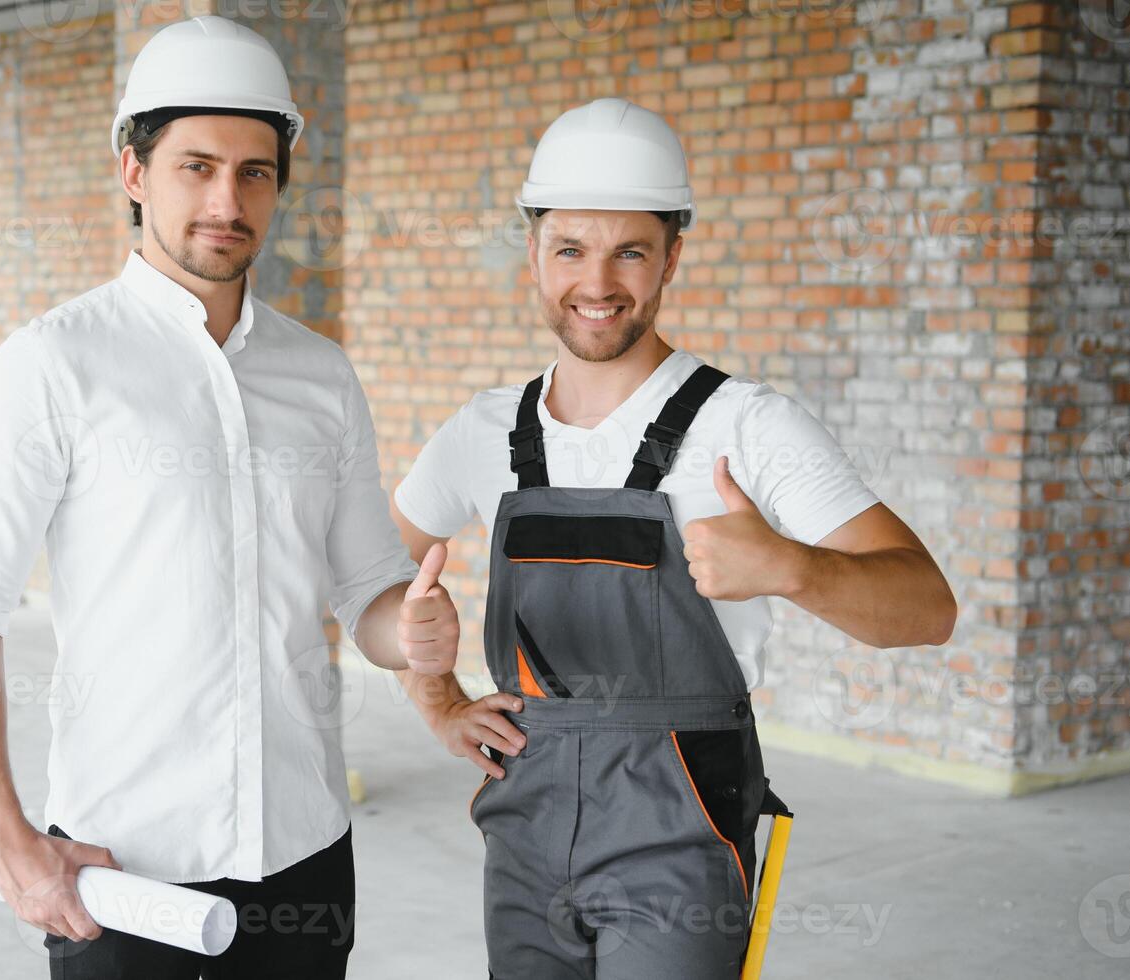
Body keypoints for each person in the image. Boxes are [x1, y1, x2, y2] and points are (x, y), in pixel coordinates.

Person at [0, 15, 460, 979]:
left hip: (303, 854)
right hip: (121, 863)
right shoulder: (54, 364)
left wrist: (409, 634)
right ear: (134, 171)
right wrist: (7, 840)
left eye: (254, 171)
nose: (227, 198)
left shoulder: (321, 375)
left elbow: (368, 589)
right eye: (195, 166)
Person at [390, 97, 957, 977]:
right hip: (526, 827)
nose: (597, 282)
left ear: (671, 258)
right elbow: (377, 575)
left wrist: (789, 566)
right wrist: (437, 699)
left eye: (630, 251)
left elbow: (926, 608)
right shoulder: (483, 431)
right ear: (533, 252)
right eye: (570, 249)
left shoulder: (747, 425)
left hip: (680, 828)